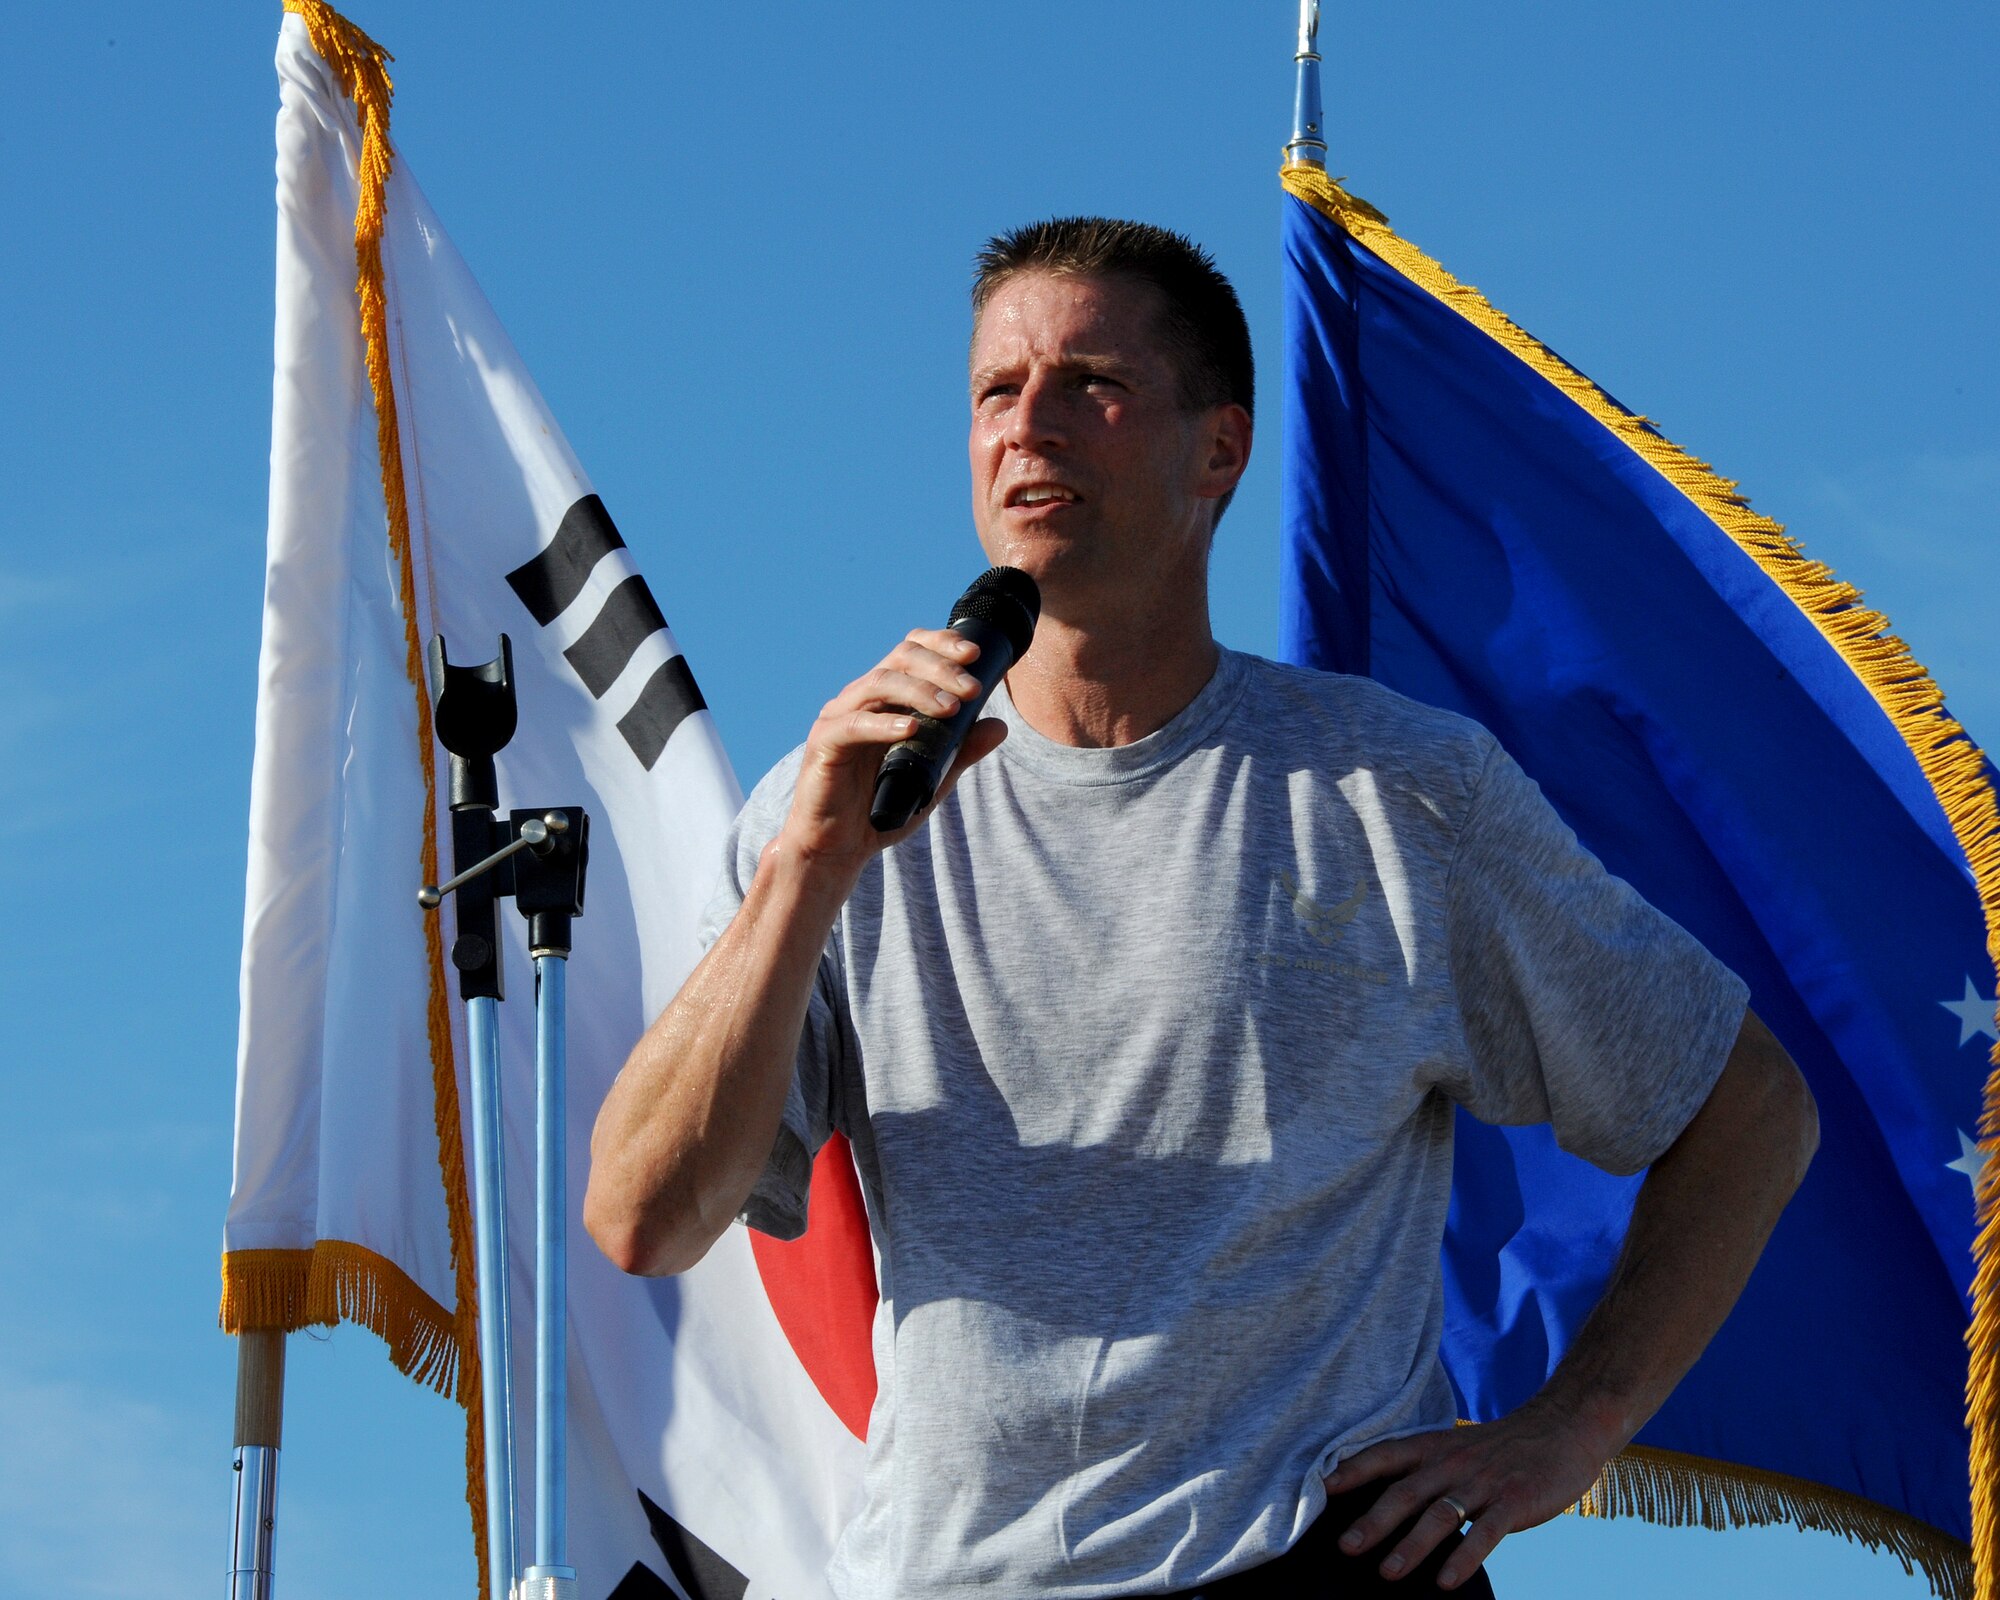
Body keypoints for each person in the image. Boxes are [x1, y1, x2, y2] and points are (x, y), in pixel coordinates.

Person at [584, 218, 1820, 1599]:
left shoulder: (1395, 793)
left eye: (1090, 385)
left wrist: (1569, 1429)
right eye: (997, 392)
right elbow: (641, 1216)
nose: (1029, 428)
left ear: (1218, 451)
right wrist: (809, 869)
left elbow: (1746, 1107)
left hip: (1306, 1556)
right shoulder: (839, 805)